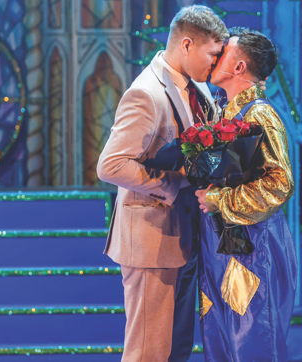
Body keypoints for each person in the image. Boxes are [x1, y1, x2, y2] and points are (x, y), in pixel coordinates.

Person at [97, 5, 228, 362]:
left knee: (175, 351)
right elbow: (110, 165)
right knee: (149, 353)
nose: (216, 64)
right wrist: (172, 183)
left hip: (183, 241)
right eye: (213, 54)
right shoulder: (146, 93)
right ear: (187, 45)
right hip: (150, 243)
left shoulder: (197, 88)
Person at [195, 27, 297, 362]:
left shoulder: (259, 114)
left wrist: (219, 201)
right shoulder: (224, 113)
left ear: (239, 67)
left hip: (253, 247)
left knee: (252, 340)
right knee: (219, 338)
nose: (214, 58)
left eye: (223, 52)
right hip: (223, 242)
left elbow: (279, 184)